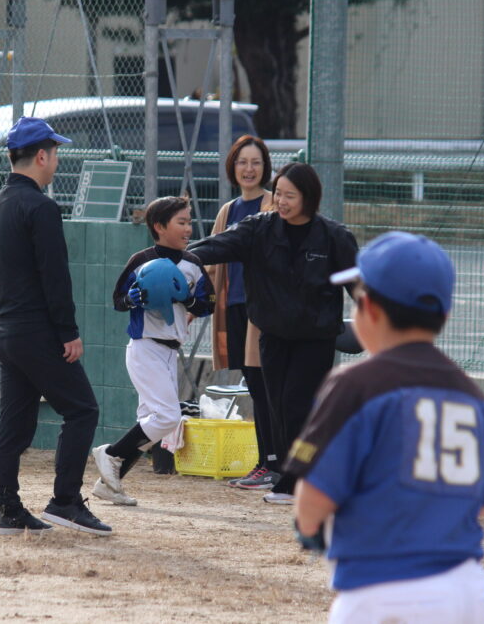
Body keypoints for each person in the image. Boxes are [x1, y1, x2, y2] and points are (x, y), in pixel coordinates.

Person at [291, 231, 484, 623]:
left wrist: (308, 526)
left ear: (368, 308)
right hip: (467, 587)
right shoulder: (473, 396)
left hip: (385, 588)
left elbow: (316, 494)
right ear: (444, 316)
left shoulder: (356, 384)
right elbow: (483, 502)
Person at [189, 163, 358, 505]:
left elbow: (359, 285)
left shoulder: (334, 237)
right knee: (277, 407)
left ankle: (297, 482)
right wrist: (182, 257)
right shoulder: (259, 229)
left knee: (297, 405)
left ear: (308, 198)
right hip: (274, 335)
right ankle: (293, 475)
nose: (281, 201)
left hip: (314, 339)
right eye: (278, 193)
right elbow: (218, 245)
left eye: (289, 196)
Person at [0, 116, 112, 537]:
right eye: (55, 153)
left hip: (7, 330)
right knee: (82, 409)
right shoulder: (41, 207)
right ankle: (65, 501)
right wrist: (68, 331)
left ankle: (7, 508)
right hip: (38, 330)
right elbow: (54, 276)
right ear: (41, 156)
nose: (56, 161)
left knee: (15, 422)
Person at [91, 196, 215, 506]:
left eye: (189, 222)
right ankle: (111, 454)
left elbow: (208, 304)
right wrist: (131, 299)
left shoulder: (193, 263)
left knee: (150, 420)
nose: (188, 228)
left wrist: (188, 300)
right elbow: (118, 300)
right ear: (159, 226)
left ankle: (109, 484)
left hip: (170, 352)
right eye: (181, 222)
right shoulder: (141, 260)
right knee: (167, 417)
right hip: (145, 347)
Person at [206, 135, 277, 490]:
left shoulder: (272, 205)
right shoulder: (228, 210)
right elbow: (212, 263)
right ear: (232, 167)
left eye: (256, 162)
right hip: (234, 307)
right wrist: (195, 305)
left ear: (266, 168)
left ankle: (273, 463)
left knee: (266, 387)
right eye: (242, 162)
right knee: (254, 384)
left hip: (261, 311)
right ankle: (265, 463)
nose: (249, 169)